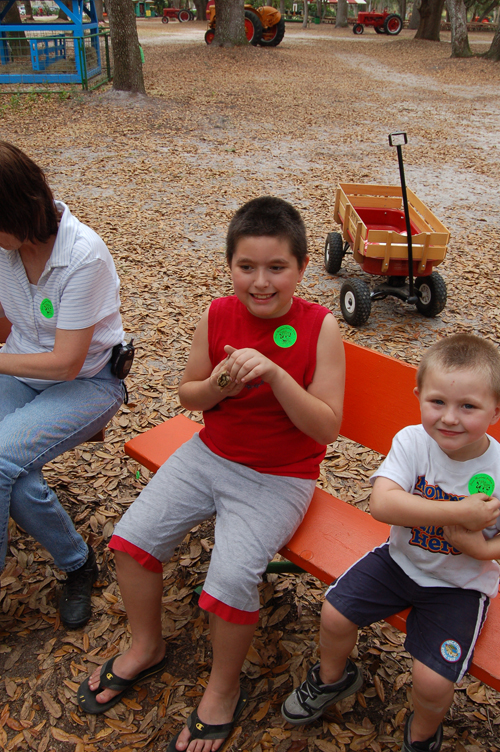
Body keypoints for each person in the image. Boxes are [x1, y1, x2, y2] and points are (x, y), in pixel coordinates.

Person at [77, 196, 345, 752]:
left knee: (228, 581)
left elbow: (324, 428)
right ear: (230, 267)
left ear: (300, 269)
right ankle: (146, 645)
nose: (261, 282)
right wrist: (221, 383)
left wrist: (274, 375)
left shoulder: (320, 328)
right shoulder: (217, 314)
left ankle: (222, 691)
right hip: (210, 455)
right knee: (131, 541)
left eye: (277, 268)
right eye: (247, 267)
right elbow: (189, 394)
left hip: (279, 477)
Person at [282, 333, 500, 752]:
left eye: (468, 407)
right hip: (399, 560)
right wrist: (459, 513)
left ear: (495, 409)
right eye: (437, 402)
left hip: (460, 585)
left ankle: (421, 735)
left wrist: (483, 550)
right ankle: (333, 678)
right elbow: (383, 504)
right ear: (418, 396)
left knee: (433, 681)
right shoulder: (412, 441)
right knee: (334, 615)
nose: (450, 418)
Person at [0, 141, 125, 629]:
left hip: (90, 382)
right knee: (13, 475)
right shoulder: (7, 250)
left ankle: (76, 565)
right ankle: (78, 562)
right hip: (24, 369)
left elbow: (67, 364)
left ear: (17, 210)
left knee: (0, 458)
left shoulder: (82, 256)